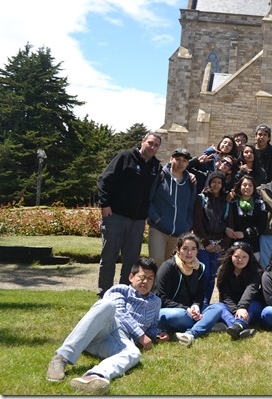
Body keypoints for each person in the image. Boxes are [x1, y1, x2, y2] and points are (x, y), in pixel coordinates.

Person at [46, 257, 168, 394]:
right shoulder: (120, 290)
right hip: (105, 328)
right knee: (107, 305)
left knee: (134, 353)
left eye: (150, 278)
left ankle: (93, 377)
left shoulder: (156, 302)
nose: (145, 281)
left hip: (119, 341)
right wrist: (140, 335)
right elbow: (120, 312)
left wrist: (158, 333)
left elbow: (151, 326)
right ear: (131, 277)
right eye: (142, 277)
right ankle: (61, 358)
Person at [96, 132, 162, 298]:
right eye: (150, 143)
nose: (153, 147)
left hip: (138, 220)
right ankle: (104, 294)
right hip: (115, 215)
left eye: (156, 145)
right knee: (109, 257)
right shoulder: (125, 157)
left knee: (131, 261)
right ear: (143, 141)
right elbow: (104, 179)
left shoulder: (156, 166)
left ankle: (124, 294)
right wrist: (104, 204)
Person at [154, 234, 218, 347]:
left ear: (197, 251)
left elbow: (200, 294)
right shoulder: (168, 267)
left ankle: (190, 333)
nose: (189, 253)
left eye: (193, 249)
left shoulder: (200, 268)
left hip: (190, 311)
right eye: (185, 249)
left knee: (216, 308)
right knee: (177, 315)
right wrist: (186, 309)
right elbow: (161, 298)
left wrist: (196, 306)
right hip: (171, 310)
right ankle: (206, 325)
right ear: (178, 250)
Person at [147, 148, 197, 267]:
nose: (181, 163)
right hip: (158, 228)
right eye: (178, 159)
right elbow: (148, 199)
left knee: (170, 266)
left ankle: (163, 286)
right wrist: (156, 218)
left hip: (179, 232)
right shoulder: (160, 175)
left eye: (184, 160)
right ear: (171, 159)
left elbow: (191, 206)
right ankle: (155, 286)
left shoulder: (190, 181)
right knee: (157, 261)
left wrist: (187, 224)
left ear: (187, 164)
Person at [208, 241, 264, 340]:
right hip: (230, 306)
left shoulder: (255, 271)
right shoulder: (223, 270)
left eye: (244, 257)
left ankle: (236, 326)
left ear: (249, 257)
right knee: (218, 307)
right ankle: (239, 327)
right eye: (236, 256)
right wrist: (235, 310)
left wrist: (242, 307)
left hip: (250, 305)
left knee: (252, 305)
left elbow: (250, 291)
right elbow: (225, 295)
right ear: (230, 256)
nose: (240, 260)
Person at [192, 171, 231, 307]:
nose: (216, 185)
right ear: (209, 183)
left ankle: (206, 304)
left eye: (219, 182)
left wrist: (223, 244)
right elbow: (197, 222)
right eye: (213, 182)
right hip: (204, 243)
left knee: (212, 276)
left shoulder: (226, 202)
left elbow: (229, 224)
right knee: (204, 273)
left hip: (219, 244)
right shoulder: (201, 199)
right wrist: (206, 242)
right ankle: (198, 303)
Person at [225, 175, 268, 260]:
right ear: (239, 187)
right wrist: (227, 229)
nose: (247, 187)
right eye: (244, 185)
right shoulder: (232, 203)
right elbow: (225, 219)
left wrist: (244, 234)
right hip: (234, 244)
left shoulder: (260, 204)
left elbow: (261, 225)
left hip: (253, 246)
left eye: (250, 185)